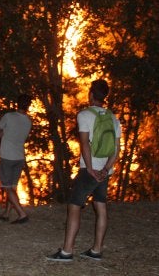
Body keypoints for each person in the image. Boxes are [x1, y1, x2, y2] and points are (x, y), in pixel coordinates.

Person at [47, 79, 121, 262]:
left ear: (91, 94)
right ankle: (96, 250)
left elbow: (85, 145)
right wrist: (105, 169)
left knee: (74, 206)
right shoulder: (113, 118)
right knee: (101, 206)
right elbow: (117, 150)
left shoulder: (85, 115)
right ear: (105, 97)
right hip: (104, 171)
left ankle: (66, 251)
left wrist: (90, 168)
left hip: (89, 170)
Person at [0, 94, 33, 224]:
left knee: (7, 187)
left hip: (7, 156)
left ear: (17, 104)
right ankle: (6, 213)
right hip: (19, 157)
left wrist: (4, 135)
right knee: (12, 187)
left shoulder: (8, 116)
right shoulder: (28, 121)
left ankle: (21, 214)